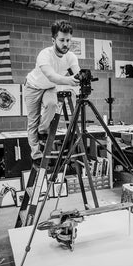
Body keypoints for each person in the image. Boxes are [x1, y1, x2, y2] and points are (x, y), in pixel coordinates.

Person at [25, 19, 80, 167]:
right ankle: (36, 155)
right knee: (33, 122)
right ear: (53, 40)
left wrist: (82, 81)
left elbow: (77, 74)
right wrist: (69, 81)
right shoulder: (44, 54)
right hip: (33, 86)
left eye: (68, 40)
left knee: (52, 104)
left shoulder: (71, 57)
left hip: (49, 87)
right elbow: (52, 76)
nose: (66, 44)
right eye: (62, 40)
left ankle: (43, 130)